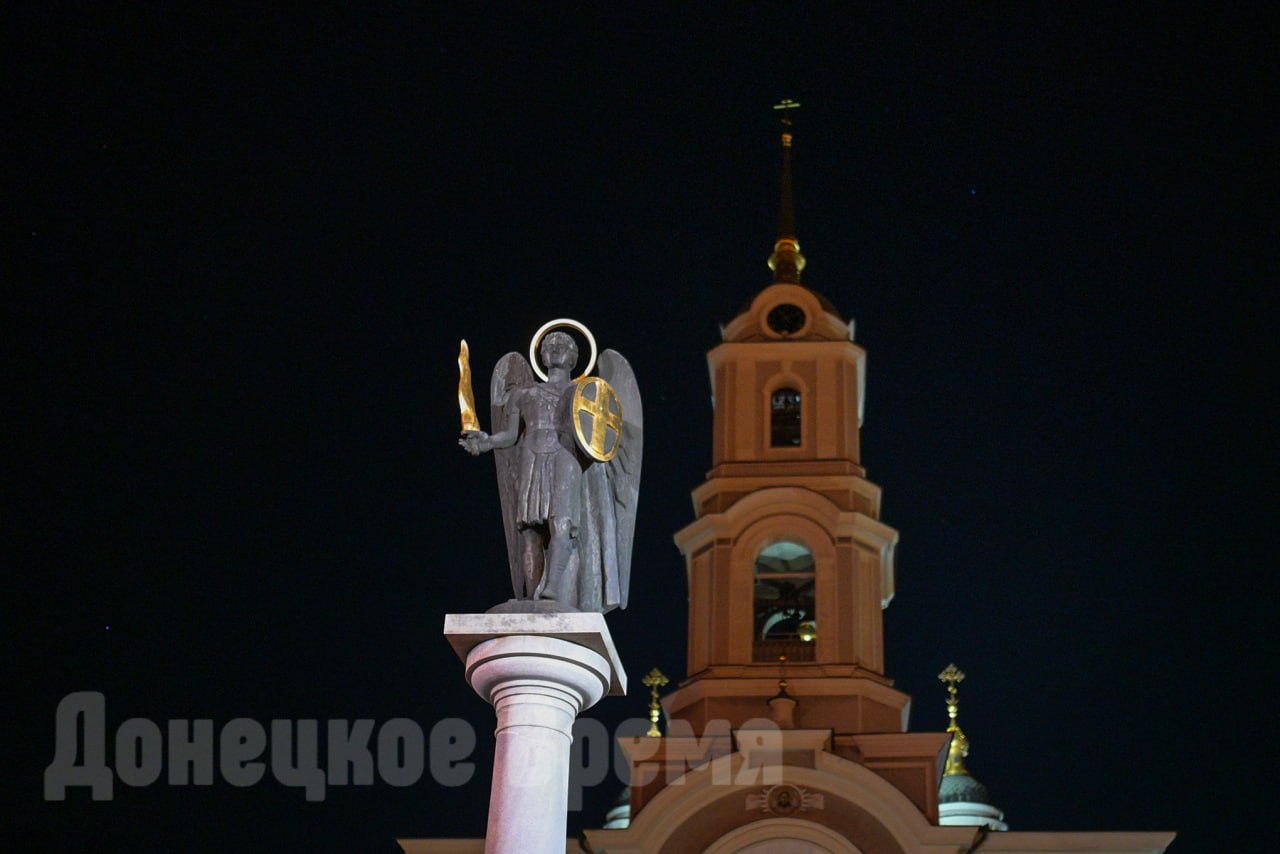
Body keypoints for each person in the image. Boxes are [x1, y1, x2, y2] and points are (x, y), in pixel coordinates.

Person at [459, 331, 581, 602]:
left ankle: (552, 587)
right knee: (530, 531)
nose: (555, 347)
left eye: (563, 345)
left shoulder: (582, 393)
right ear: (542, 355)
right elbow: (510, 435)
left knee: (561, 524)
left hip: (564, 455)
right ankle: (530, 596)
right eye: (549, 344)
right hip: (531, 453)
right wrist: (486, 442)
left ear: (573, 357)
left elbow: (596, 436)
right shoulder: (523, 394)